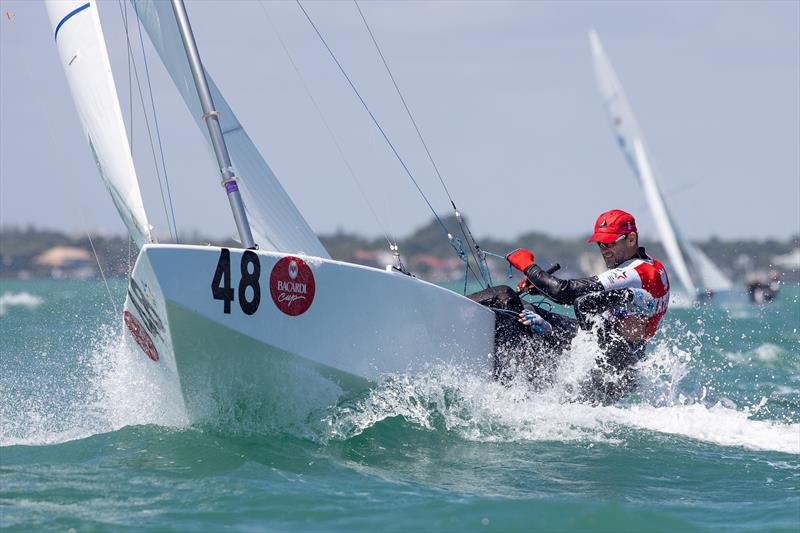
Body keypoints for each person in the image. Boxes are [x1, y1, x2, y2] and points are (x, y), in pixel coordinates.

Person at [469, 209, 670, 403]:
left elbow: (563, 291)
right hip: (621, 366)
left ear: (631, 239)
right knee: (516, 305)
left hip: (607, 365)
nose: (604, 250)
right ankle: (517, 374)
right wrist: (540, 287)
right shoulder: (655, 268)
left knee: (501, 296)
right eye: (600, 244)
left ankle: (508, 384)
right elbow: (596, 298)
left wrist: (527, 266)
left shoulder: (634, 273)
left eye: (609, 243)